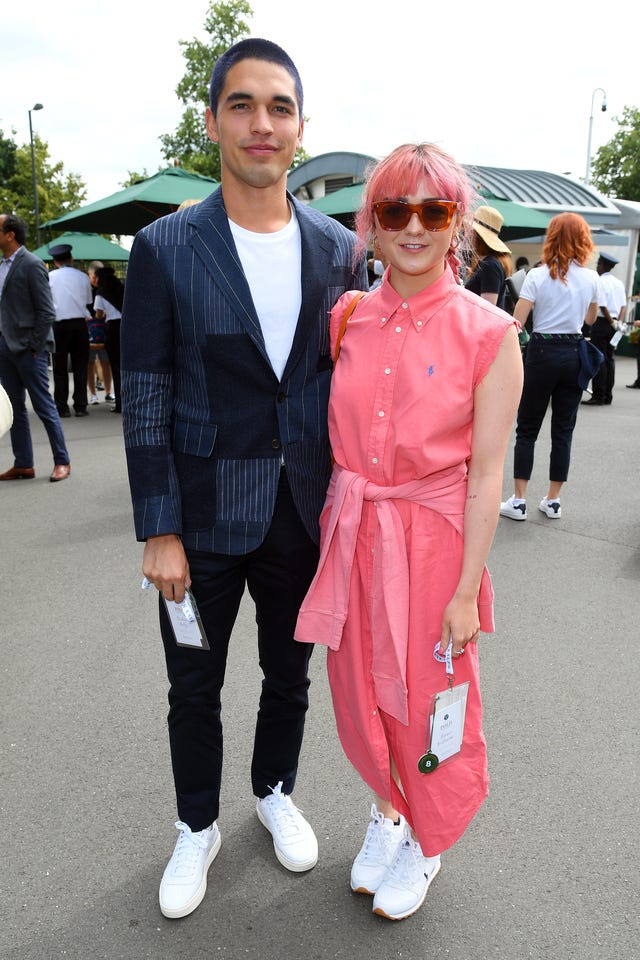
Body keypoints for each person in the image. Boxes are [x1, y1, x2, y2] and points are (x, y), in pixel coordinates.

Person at [120, 37, 367, 920]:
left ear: (300, 127)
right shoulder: (165, 246)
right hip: (197, 523)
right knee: (193, 682)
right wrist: (158, 526)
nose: (262, 124)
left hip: (303, 509)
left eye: (280, 107)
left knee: (289, 677)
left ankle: (272, 790)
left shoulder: (340, 250)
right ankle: (197, 826)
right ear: (214, 118)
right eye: (243, 105)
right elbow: (144, 394)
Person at [295, 143, 523, 921]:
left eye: (435, 210)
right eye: (397, 212)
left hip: (434, 547)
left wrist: (467, 592)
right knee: (360, 694)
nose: (415, 228)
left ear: (456, 222)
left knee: (431, 699)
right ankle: (389, 810)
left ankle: (429, 840)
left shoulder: (490, 334)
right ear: (374, 225)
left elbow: (487, 474)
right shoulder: (349, 316)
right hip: (357, 536)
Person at [500, 212, 600, 521]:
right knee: (563, 430)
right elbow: (591, 320)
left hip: (542, 350)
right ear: (583, 239)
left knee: (528, 427)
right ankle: (553, 500)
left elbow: (517, 319)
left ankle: (518, 500)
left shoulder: (537, 275)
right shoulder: (592, 277)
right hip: (573, 351)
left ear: (551, 237)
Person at [0, 214, 71, 481]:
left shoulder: (31, 264)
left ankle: (62, 461)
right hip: (6, 347)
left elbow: (46, 311)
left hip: (29, 349)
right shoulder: (3, 266)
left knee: (44, 406)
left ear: (10, 234)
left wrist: (34, 347)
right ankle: (24, 463)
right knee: (14, 408)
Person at [48, 243, 92, 417]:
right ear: (71, 259)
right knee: (81, 366)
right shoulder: (82, 277)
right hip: (80, 324)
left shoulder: (50, 277)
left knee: (59, 368)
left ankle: (62, 407)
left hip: (59, 325)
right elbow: (88, 301)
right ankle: (80, 406)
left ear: (55, 261)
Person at [581, 252, 627, 406]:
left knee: (599, 359)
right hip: (614, 324)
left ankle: (598, 395)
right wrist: (618, 322)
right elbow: (623, 306)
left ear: (601, 265)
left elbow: (602, 305)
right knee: (610, 359)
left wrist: (610, 321)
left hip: (602, 323)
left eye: (598, 264)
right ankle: (608, 395)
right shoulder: (618, 283)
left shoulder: (600, 281)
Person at [464, 204, 513, 310]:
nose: (468, 235)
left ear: (477, 236)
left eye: (471, 231)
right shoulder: (491, 262)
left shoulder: (490, 266)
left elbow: (488, 309)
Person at [93, 266, 123, 412]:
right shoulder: (123, 288)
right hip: (127, 328)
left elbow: (99, 314)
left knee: (116, 367)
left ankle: (120, 403)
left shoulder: (101, 293)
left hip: (112, 329)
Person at [86, 260, 114, 405]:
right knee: (89, 364)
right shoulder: (87, 289)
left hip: (103, 330)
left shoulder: (104, 290)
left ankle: (109, 391)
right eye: (93, 276)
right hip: (90, 330)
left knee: (106, 362)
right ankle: (93, 394)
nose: (96, 279)